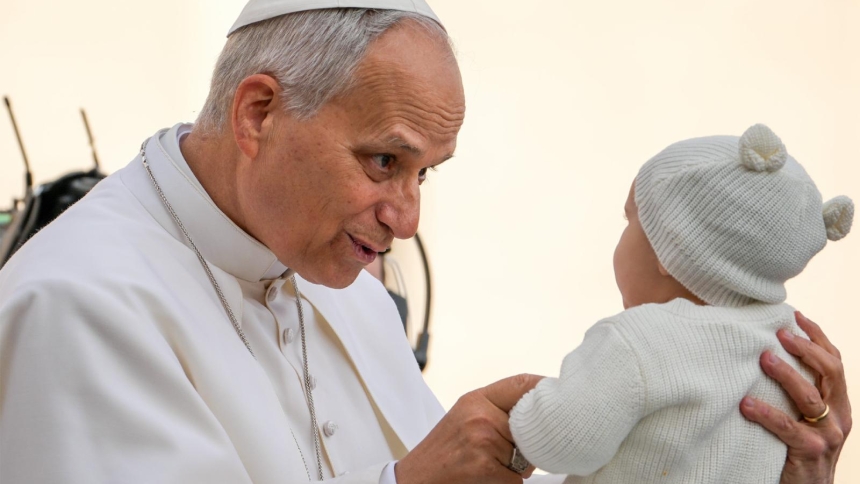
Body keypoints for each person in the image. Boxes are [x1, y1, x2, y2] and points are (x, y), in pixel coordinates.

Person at [0, 2, 850, 483]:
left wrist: (736, 462)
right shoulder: (75, 306)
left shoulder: (339, 272)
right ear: (257, 113)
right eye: (383, 161)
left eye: (426, 175)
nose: (405, 219)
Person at [509, 124, 854, 483]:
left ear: (668, 250)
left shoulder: (639, 339)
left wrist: (532, 409)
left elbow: (560, 444)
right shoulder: (801, 354)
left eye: (630, 219)